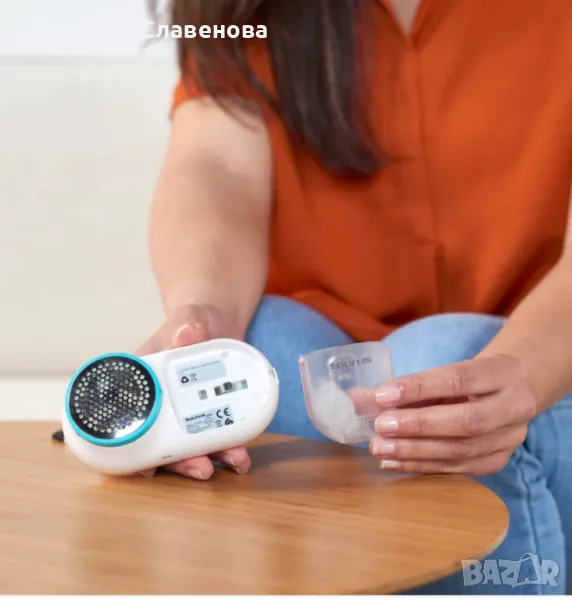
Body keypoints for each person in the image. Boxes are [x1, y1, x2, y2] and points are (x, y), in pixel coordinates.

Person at [138, 0, 572, 594]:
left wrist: (520, 376)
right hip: (309, 362)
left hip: (543, 359)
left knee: (451, 364)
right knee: (258, 346)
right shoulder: (240, 13)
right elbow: (215, 167)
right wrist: (201, 316)